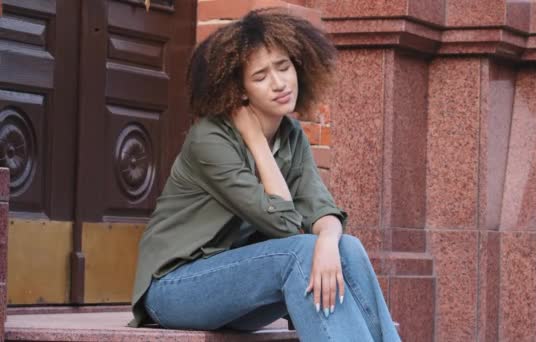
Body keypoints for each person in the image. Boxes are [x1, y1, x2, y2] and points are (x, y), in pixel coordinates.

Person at [128, 8, 401, 342]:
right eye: (260, 77)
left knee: (348, 248)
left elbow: (321, 208)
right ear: (240, 90)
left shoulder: (291, 134)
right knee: (299, 254)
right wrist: (256, 142)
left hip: (243, 287)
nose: (279, 83)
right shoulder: (211, 140)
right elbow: (285, 227)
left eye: (283, 67)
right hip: (174, 289)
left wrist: (329, 240)